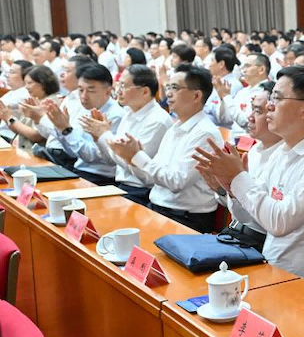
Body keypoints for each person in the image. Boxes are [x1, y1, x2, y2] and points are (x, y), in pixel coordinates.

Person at [194, 65, 304, 300]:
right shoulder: (282, 152)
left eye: (277, 98)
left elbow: (280, 221)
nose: (269, 105)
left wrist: (239, 178)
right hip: (277, 273)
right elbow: (256, 220)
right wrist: (231, 189)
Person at [109, 64, 224, 232]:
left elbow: (177, 182)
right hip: (158, 208)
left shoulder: (205, 133)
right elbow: (149, 178)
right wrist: (131, 158)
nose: (168, 93)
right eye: (168, 86)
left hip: (186, 218)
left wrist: (137, 157)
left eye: (175, 88)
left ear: (196, 95)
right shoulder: (175, 128)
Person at [203, 83, 281, 252]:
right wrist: (224, 190)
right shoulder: (254, 150)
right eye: (252, 109)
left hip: (258, 242)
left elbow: (261, 219)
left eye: (258, 111)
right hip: (236, 232)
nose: (250, 117)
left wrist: (236, 187)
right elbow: (242, 213)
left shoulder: (285, 157)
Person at [82, 65, 172, 206]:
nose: (118, 91)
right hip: (122, 186)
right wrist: (98, 137)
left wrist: (105, 136)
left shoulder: (157, 120)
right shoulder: (129, 113)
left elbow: (142, 173)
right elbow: (112, 161)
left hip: (141, 191)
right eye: (118, 85)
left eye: (124, 86)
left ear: (145, 91)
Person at [45, 62, 125, 185]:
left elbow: (92, 156)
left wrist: (67, 130)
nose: (84, 96)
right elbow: (73, 152)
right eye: (81, 90)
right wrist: (61, 129)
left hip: (101, 178)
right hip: (78, 170)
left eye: (91, 91)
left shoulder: (115, 115)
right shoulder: (84, 108)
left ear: (108, 92)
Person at [0, 65, 59, 153]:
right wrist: (7, 118)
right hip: (20, 149)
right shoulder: (34, 99)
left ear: (43, 83)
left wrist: (11, 119)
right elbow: (20, 130)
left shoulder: (51, 104)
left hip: (34, 154)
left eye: (29, 83)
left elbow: (36, 136)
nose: (26, 87)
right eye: (25, 83)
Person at [219, 52, 270, 136]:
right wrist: (223, 98)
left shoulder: (266, 92)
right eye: (243, 67)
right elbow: (225, 119)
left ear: (261, 70)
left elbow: (246, 121)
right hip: (233, 137)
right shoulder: (242, 92)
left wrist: (226, 96)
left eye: (247, 66)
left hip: (250, 140)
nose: (244, 70)